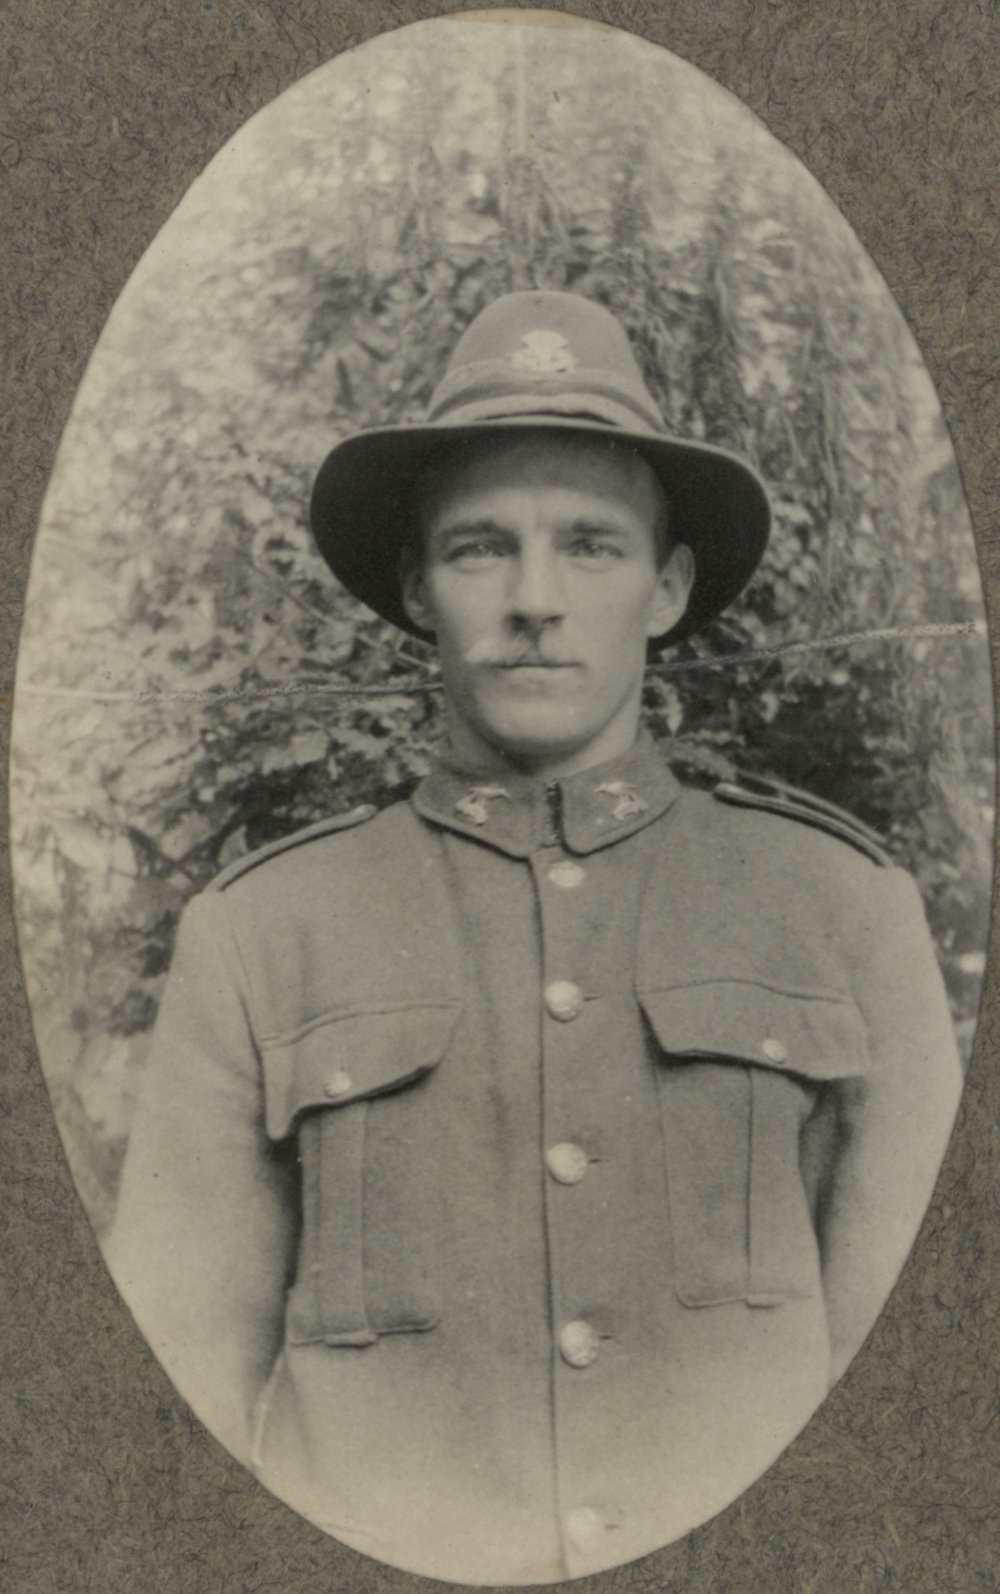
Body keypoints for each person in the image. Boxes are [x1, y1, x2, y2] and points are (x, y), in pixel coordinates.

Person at [106, 290, 962, 1585]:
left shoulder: (842, 908)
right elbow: (172, 1422)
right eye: (481, 548)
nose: (537, 599)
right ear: (416, 587)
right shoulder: (263, 936)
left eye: (592, 546)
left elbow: (920, 1418)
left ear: (666, 587)